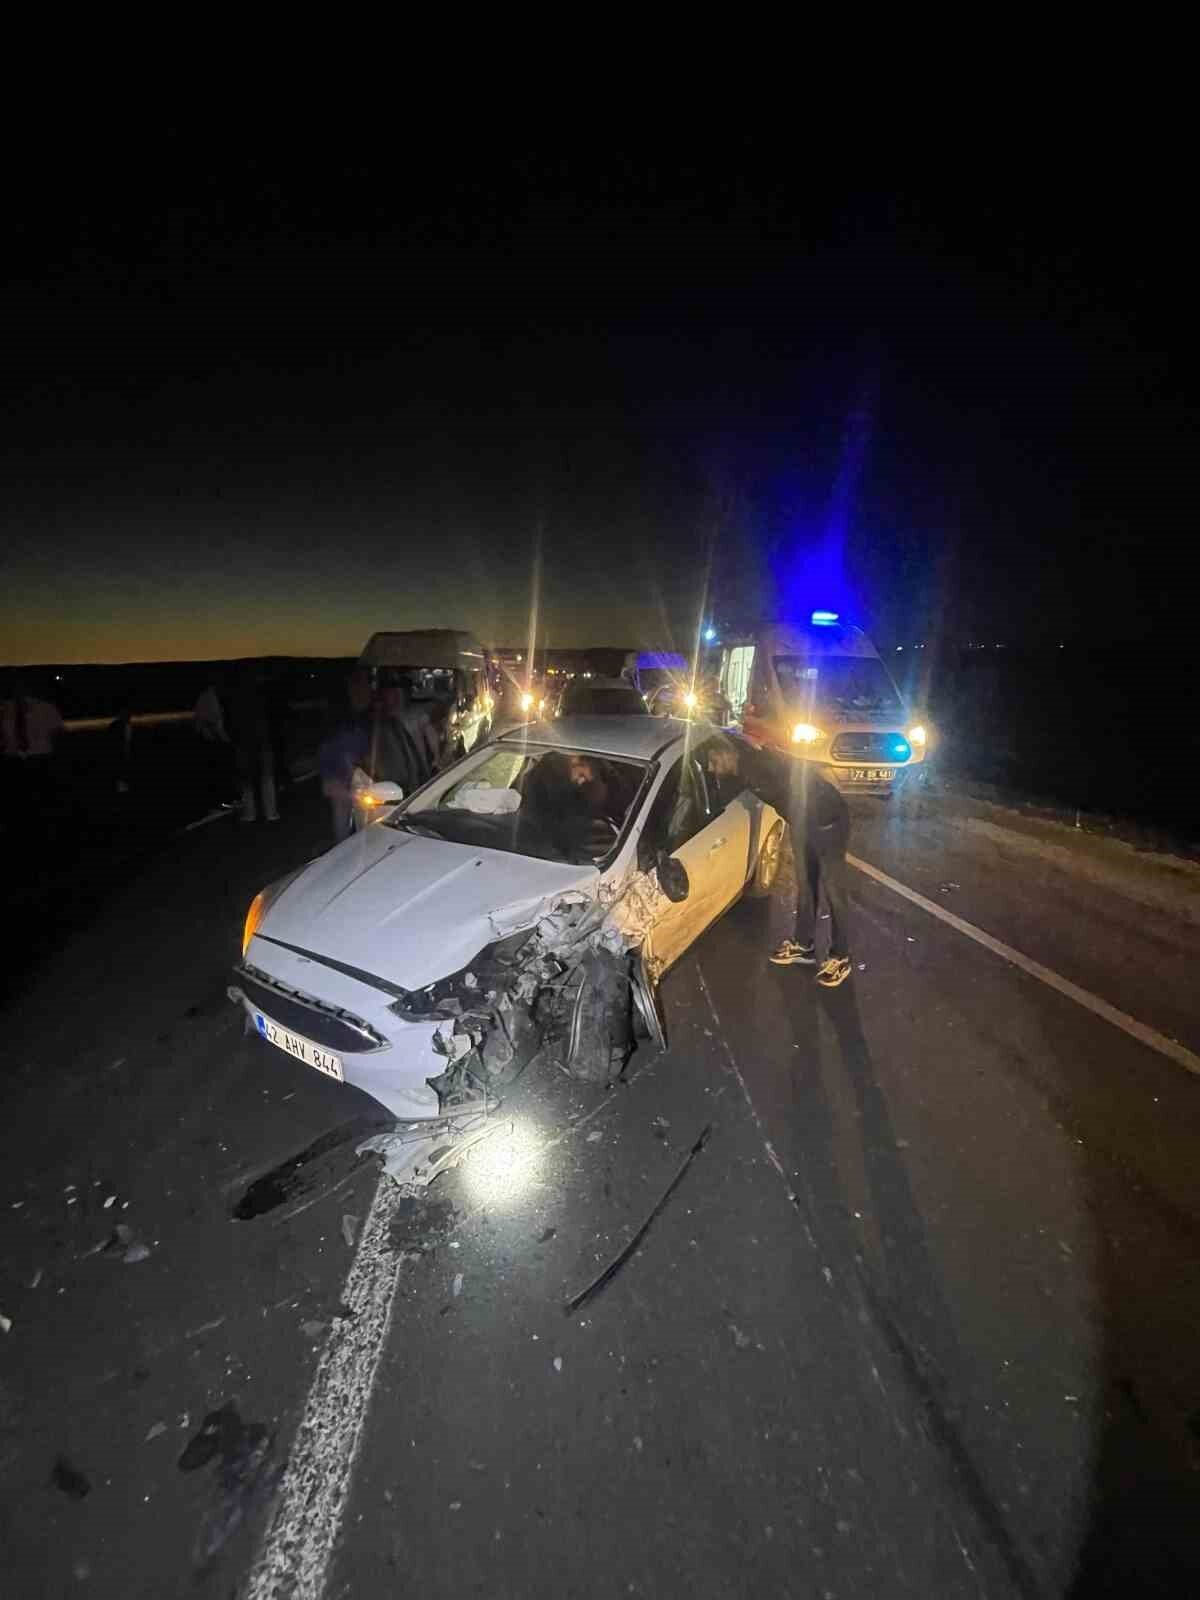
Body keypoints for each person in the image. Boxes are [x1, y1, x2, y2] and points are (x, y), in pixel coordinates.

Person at [706, 737, 853, 988]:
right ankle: (803, 945)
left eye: (713, 760)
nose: (711, 767)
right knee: (806, 884)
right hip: (803, 822)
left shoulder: (759, 770)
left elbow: (798, 781)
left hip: (828, 821)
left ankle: (841, 956)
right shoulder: (745, 767)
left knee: (833, 891)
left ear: (728, 755)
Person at [2, 674, 64, 836]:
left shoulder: (46, 709)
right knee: (16, 804)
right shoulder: (5, 709)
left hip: (40, 761)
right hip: (13, 762)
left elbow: (59, 736)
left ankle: (43, 831)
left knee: (41, 802)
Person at [318, 669, 371, 844]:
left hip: (341, 776)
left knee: (346, 821)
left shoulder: (347, 720)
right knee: (356, 821)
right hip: (344, 776)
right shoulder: (352, 723)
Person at [229, 662, 280, 824]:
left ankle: (250, 813)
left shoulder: (237, 695)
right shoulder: (261, 694)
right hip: (261, 739)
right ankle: (270, 812)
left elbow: (234, 720)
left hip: (245, 740)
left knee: (247, 779)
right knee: (266, 777)